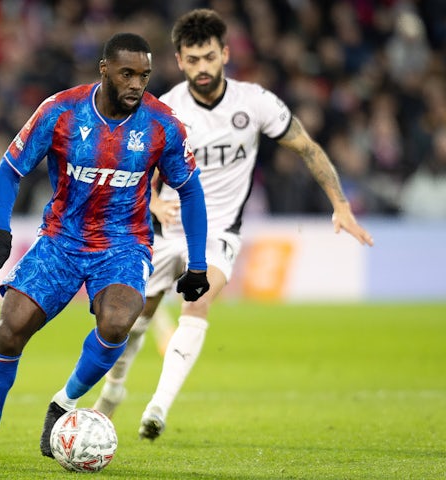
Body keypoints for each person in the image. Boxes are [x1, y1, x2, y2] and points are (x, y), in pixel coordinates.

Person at [93, 9, 375, 441]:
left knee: (197, 300)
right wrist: (151, 200)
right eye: (192, 60)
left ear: (225, 54)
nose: (202, 68)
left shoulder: (255, 103)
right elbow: (137, 165)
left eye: (209, 57)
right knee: (133, 321)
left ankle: (157, 408)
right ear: (179, 60)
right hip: (165, 231)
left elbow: (306, 146)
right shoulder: (166, 109)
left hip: (219, 231)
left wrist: (340, 204)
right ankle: (112, 394)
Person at [0, 32, 210, 469]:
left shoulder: (162, 123)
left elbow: (191, 191)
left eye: (144, 75)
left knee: (119, 321)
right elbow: (11, 169)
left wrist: (197, 264)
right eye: (127, 73)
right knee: (9, 330)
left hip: (124, 244)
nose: (136, 85)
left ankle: (63, 402)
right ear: (104, 69)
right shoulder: (61, 111)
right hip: (61, 241)